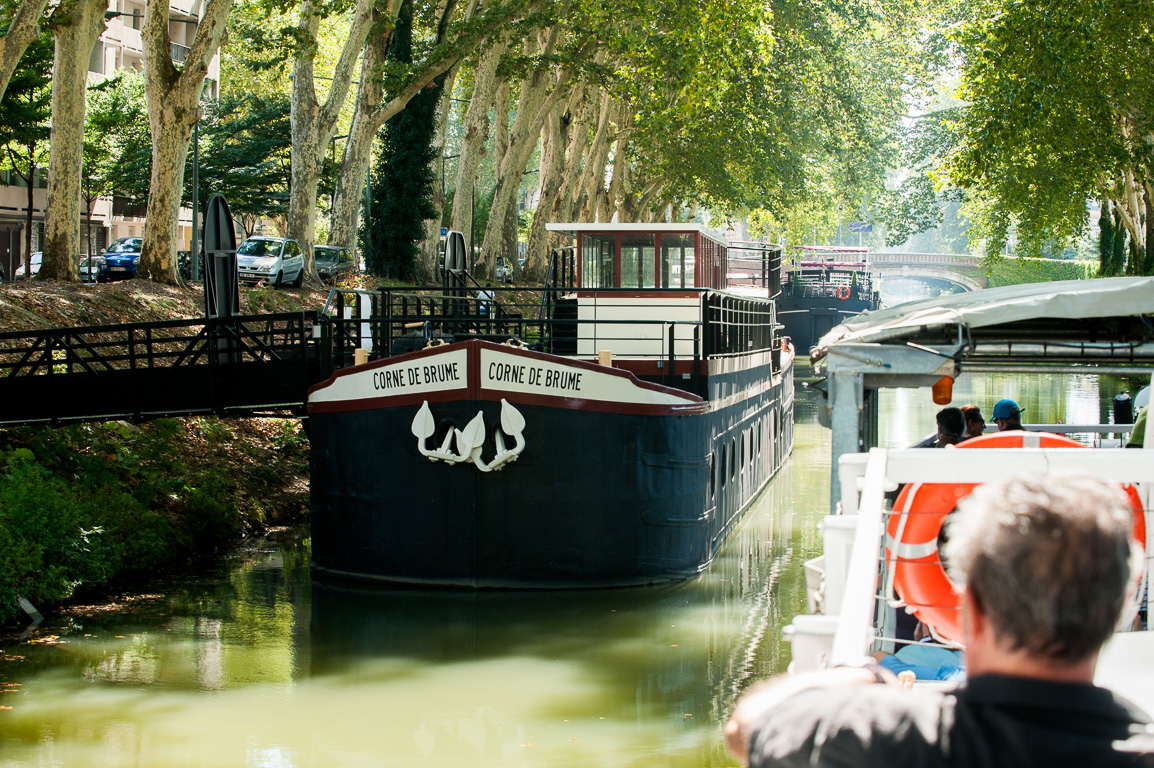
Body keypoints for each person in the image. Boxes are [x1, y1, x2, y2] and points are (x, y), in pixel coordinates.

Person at [725, 474, 1154, 767]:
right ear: (1121, 605)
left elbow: (746, 725)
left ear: (970, 608)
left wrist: (864, 676)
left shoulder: (883, 738)